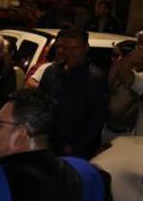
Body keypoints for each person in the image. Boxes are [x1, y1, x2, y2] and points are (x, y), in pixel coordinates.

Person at [37, 25, 108, 158]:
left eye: (74, 48)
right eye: (62, 47)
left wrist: (75, 147)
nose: (66, 52)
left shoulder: (94, 78)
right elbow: (41, 106)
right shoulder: (50, 72)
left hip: (76, 151)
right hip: (49, 145)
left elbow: (96, 119)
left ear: (85, 48)